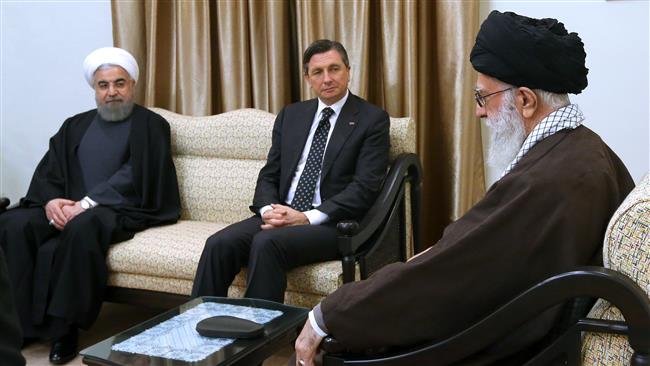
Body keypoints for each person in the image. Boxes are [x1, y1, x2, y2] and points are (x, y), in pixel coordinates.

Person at [294, 11, 635, 366]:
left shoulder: (551, 179)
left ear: (525, 100)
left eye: (482, 97)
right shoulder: (583, 148)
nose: (479, 112)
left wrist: (329, 314)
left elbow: (452, 278)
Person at [0, 47, 181, 364]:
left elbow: (135, 175)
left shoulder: (151, 124)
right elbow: (51, 170)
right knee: (13, 224)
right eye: (103, 85)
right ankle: (20, 326)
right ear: (94, 89)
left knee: (84, 227)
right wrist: (53, 201)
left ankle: (64, 329)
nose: (112, 92)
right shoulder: (75, 125)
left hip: (120, 208)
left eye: (119, 83)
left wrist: (86, 204)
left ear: (133, 84)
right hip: (69, 204)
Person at [191, 39, 390, 303]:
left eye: (335, 69)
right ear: (307, 78)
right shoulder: (292, 115)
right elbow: (269, 173)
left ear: (348, 71)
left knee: (266, 243)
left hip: (331, 224)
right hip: (282, 214)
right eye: (318, 72)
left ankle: (257, 334)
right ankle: (195, 329)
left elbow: (364, 188)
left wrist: (306, 217)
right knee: (218, 243)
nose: (327, 78)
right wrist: (269, 211)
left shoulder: (371, 119)